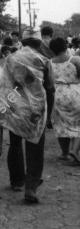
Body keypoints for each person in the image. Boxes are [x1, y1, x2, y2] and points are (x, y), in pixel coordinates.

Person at [1, 27, 55, 203]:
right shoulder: (45, 61)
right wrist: (50, 116)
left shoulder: (10, 58)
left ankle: (17, 181)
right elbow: (50, 88)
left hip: (14, 108)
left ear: (22, 42)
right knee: (35, 147)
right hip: (36, 111)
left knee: (15, 144)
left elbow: (0, 83)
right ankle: (30, 188)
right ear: (39, 43)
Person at [49, 37, 80, 165]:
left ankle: (64, 153)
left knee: (61, 125)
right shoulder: (75, 60)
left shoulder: (49, 62)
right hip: (75, 93)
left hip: (58, 94)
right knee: (78, 124)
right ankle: (74, 151)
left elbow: (48, 82)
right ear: (65, 47)